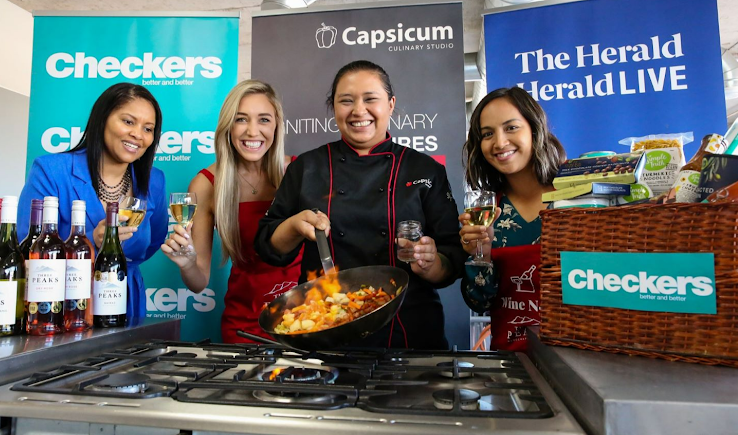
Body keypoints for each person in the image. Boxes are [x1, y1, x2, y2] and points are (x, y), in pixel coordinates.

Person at [254, 60, 465, 349]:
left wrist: (429, 263)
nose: (358, 111)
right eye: (346, 101)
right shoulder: (306, 167)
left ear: (390, 104)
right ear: (334, 108)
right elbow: (267, 247)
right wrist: (292, 225)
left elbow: (452, 257)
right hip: (326, 330)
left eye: (370, 99)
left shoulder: (424, 170)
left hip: (410, 331)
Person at [161, 80, 301, 343]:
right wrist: (188, 263)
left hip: (306, 322)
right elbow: (198, 281)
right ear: (228, 126)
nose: (252, 131)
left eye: (263, 120)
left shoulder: (298, 172)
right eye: (241, 119)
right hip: (245, 327)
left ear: (276, 126)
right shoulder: (205, 184)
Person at [19, 82, 168, 319]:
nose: (138, 135)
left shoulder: (154, 181)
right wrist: (90, 241)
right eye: (128, 121)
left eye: (148, 128)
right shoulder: (51, 171)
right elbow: (26, 246)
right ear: (102, 119)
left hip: (127, 305)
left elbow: (154, 241)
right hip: (62, 307)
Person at [459, 86, 566, 351]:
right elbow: (480, 303)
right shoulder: (486, 211)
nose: (499, 142)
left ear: (535, 129)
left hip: (580, 362)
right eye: (487, 134)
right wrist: (479, 255)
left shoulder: (578, 197)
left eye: (511, 128)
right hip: (512, 365)